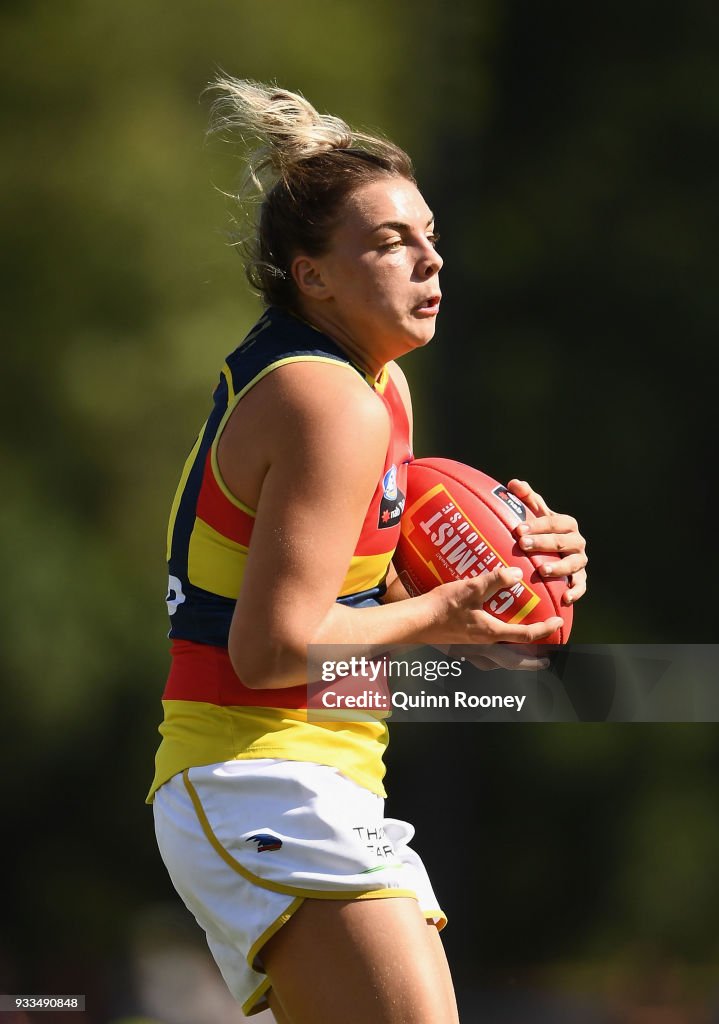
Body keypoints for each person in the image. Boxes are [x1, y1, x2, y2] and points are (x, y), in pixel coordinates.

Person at [148, 77, 588, 1024]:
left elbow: (357, 605)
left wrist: (513, 570)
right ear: (313, 277)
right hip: (257, 776)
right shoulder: (329, 402)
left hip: (309, 776)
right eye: (391, 242)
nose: (430, 261)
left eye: (429, 235)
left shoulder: (374, 385)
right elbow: (268, 648)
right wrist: (442, 612)